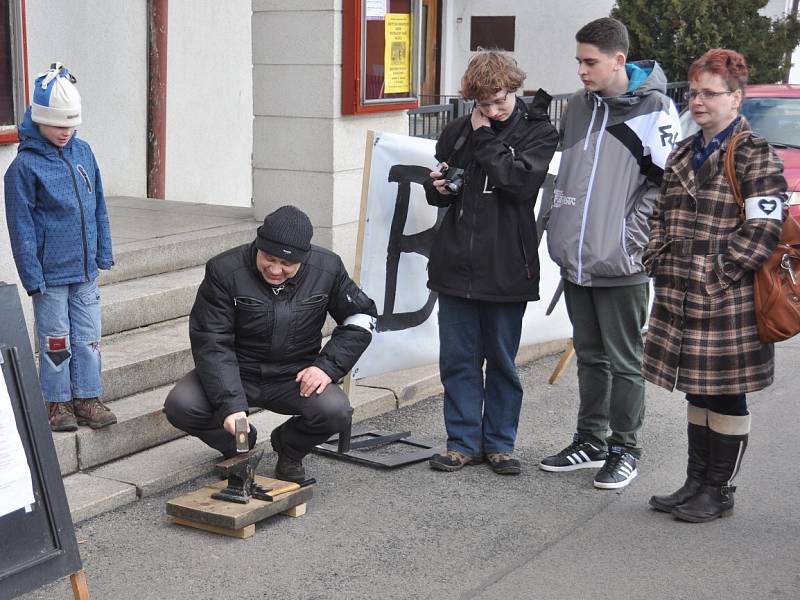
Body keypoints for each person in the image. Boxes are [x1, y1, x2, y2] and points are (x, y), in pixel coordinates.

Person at [643, 49, 786, 522]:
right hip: (680, 291)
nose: (697, 101)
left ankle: (718, 491)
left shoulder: (753, 151)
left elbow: (764, 229)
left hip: (727, 297)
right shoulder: (684, 150)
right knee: (697, 391)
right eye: (693, 92)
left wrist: (716, 274)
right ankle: (695, 482)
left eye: (709, 93)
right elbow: (660, 215)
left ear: (736, 99)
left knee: (726, 393)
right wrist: (656, 255)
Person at [540, 18, 680, 489]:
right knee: (591, 357)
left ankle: (626, 448)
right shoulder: (579, 107)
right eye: (578, 61)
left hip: (621, 262)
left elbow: (667, 187)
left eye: (590, 62)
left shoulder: (655, 109)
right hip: (578, 259)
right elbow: (567, 176)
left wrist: (628, 237)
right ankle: (590, 440)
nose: (581, 70)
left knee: (625, 360)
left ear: (619, 60)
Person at [164, 205, 377, 482]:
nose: (275, 270)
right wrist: (231, 406)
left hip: (295, 376)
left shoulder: (327, 268)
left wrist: (327, 367)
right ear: (258, 245)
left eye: (286, 264)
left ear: (305, 257)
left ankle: (289, 449)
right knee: (181, 404)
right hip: (237, 372)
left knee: (336, 412)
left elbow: (362, 316)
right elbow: (212, 341)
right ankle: (240, 447)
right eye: (268, 258)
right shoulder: (224, 270)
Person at [424, 51, 558, 475]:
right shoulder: (457, 131)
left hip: (506, 266)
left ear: (514, 89)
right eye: (483, 105)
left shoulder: (538, 131)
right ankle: (461, 442)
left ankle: (500, 443)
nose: (493, 111)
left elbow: (518, 184)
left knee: (501, 361)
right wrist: (441, 188)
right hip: (456, 262)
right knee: (458, 360)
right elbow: (442, 188)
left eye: (500, 101)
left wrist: (485, 137)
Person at [4, 63, 117, 432]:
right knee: (56, 341)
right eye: (57, 126)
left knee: (87, 338)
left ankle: (88, 397)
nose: (65, 133)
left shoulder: (83, 153)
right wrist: (31, 276)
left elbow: (98, 202)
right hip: (50, 275)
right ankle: (57, 403)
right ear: (39, 120)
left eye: (71, 125)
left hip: (85, 272)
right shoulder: (23, 168)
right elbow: (20, 227)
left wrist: (103, 250)